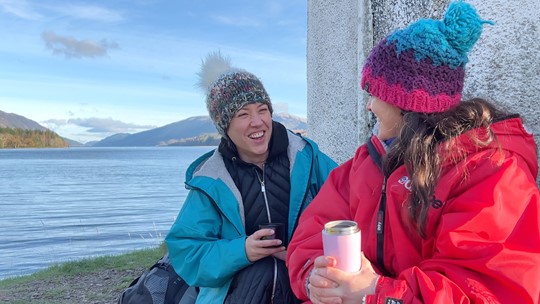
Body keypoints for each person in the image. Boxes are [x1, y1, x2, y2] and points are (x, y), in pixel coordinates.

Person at [286, 1, 540, 303]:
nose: (369, 106)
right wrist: (316, 278)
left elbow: (488, 287)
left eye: (374, 93)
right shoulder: (365, 164)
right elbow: (311, 233)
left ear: (406, 104)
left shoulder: (492, 172)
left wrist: (377, 293)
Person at [165, 51, 338, 304]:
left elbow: (350, 206)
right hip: (237, 294)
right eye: (243, 114)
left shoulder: (307, 158)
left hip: (305, 285)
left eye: (263, 110)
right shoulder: (212, 179)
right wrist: (242, 250)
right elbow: (187, 253)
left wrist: (305, 250)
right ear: (225, 126)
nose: (257, 122)